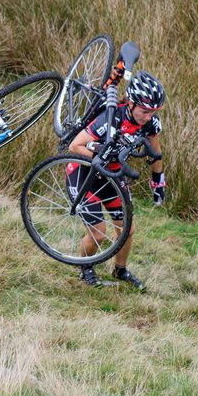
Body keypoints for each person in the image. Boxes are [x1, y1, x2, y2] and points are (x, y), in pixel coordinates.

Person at [65, 70, 166, 290]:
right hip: (84, 174)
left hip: (112, 176)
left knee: (127, 229)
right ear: (131, 102)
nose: (148, 116)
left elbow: (155, 153)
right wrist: (100, 157)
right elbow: (75, 146)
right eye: (145, 111)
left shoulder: (150, 123)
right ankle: (86, 268)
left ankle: (120, 270)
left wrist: (158, 182)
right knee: (98, 231)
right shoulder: (110, 118)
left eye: (154, 112)